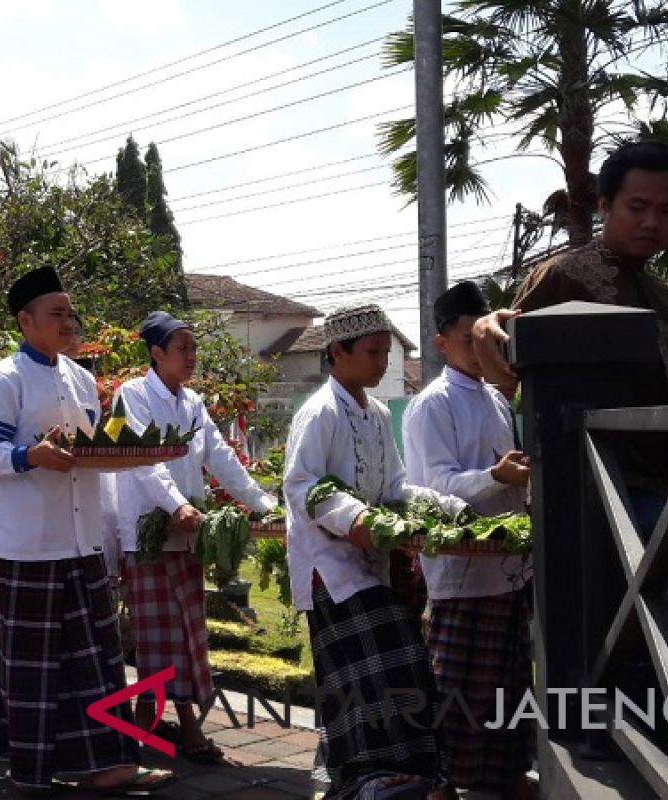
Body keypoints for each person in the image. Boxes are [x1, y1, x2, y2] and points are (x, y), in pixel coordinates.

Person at [0, 266, 176, 796]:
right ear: (25, 320)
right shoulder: (2, 379)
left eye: (70, 312)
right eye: (56, 313)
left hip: (82, 541)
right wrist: (31, 454)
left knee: (99, 661)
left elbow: (92, 448)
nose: (69, 322)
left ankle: (114, 764)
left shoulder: (82, 379)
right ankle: (31, 774)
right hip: (26, 546)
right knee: (32, 667)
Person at [283, 303, 463, 800]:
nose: (383, 362)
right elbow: (300, 486)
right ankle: (366, 778)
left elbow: (397, 486)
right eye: (373, 352)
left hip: (369, 564)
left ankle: (382, 776)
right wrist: (355, 519)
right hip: (330, 567)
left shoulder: (379, 413)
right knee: (383, 665)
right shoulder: (318, 413)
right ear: (338, 352)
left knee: (385, 670)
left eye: (387, 352)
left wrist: (449, 507)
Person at [473, 140, 668, 532]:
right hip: (594, 496)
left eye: (665, 211)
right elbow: (506, 360)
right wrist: (485, 330)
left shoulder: (660, 294)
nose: (651, 222)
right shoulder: (564, 275)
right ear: (604, 206)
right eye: (637, 207)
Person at [115, 311, 272, 763]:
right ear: (157, 353)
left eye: (193, 349)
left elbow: (220, 458)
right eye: (182, 348)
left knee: (187, 634)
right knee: (157, 636)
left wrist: (263, 504)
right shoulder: (133, 394)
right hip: (146, 537)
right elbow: (145, 460)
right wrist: (175, 505)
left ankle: (162, 728)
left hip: (187, 535)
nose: (191, 357)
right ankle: (159, 730)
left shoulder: (194, 403)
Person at [402, 281, 535, 800]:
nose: (481, 351)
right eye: (468, 340)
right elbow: (432, 487)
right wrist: (496, 478)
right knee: (459, 689)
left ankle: (504, 775)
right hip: (461, 571)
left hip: (507, 565)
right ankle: (446, 782)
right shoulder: (430, 405)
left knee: (508, 682)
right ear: (441, 344)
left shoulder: (497, 401)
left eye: (487, 342)